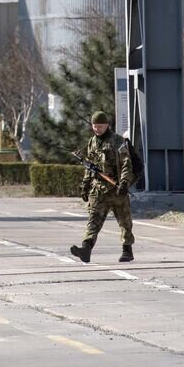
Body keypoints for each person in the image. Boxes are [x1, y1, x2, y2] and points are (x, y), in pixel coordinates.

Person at [70, 111, 136, 263]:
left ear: (107, 125)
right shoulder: (92, 142)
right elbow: (89, 166)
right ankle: (86, 249)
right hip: (98, 190)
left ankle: (127, 250)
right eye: (94, 126)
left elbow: (126, 164)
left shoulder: (118, 141)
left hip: (117, 189)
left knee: (124, 221)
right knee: (93, 220)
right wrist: (85, 186)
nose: (97, 129)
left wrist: (125, 182)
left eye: (100, 126)